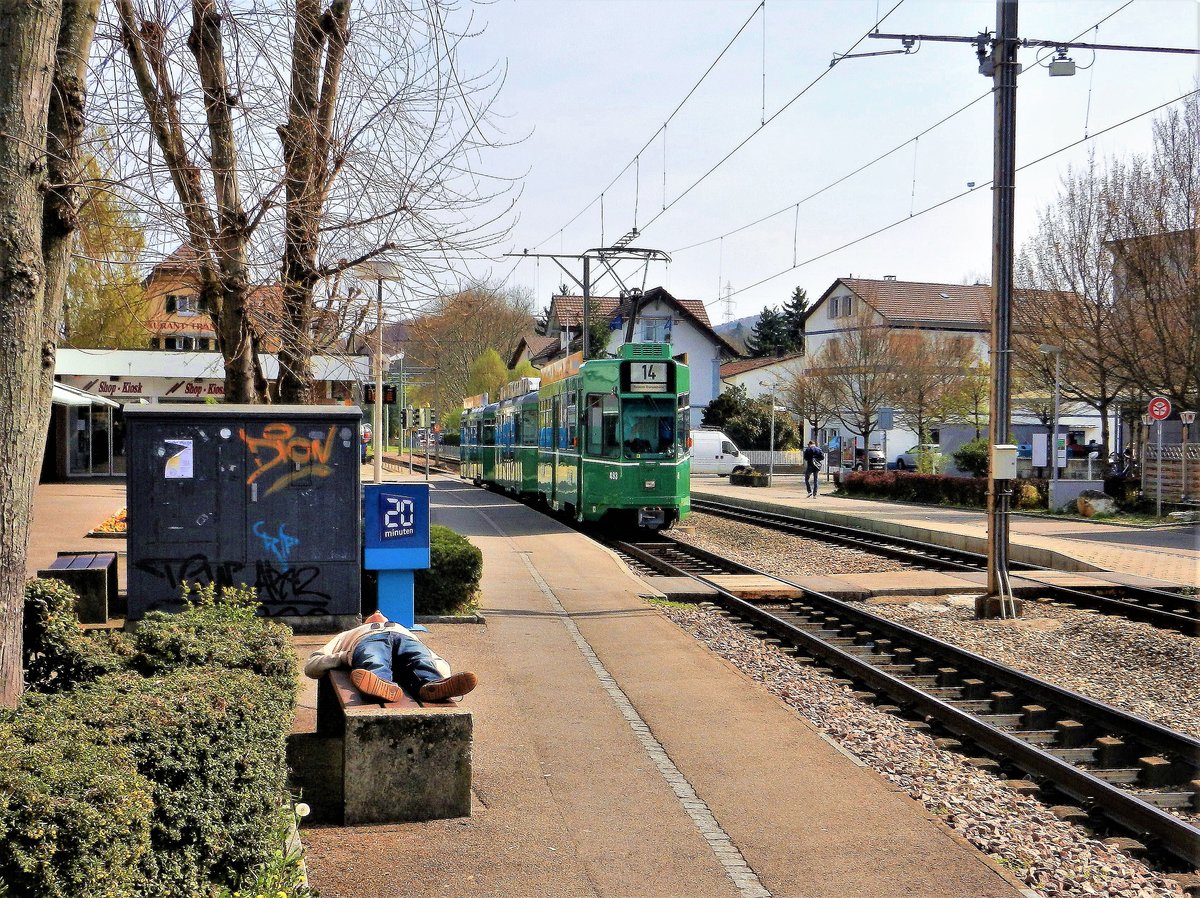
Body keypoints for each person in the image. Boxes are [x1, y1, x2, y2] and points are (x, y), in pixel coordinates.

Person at [304, 610, 478, 703]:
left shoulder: (405, 631)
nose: (378, 610)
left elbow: (432, 658)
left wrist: (444, 677)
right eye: (373, 612)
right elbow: (312, 665)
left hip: (405, 640)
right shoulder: (350, 633)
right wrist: (345, 656)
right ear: (365, 622)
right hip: (367, 641)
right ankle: (381, 685)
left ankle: (431, 685)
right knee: (373, 658)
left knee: (420, 659)